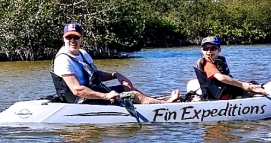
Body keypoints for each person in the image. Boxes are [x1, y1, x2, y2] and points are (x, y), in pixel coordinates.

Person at [51, 22, 179, 104]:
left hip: (92, 93)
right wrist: (106, 96)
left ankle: (158, 101)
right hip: (80, 100)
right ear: (64, 38)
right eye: (69, 37)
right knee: (133, 95)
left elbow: (95, 75)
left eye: (76, 37)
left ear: (81, 38)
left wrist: (115, 75)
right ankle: (165, 105)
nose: (72, 40)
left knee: (126, 88)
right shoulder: (63, 60)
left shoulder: (83, 54)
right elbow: (77, 90)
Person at [194, 36, 271, 100]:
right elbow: (221, 78)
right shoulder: (207, 63)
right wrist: (242, 84)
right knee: (252, 88)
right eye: (205, 48)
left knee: (252, 84)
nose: (209, 51)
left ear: (219, 50)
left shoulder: (218, 61)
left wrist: (243, 84)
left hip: (224, 92)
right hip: (219, 97)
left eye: (213, 48)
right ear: (201, 49)